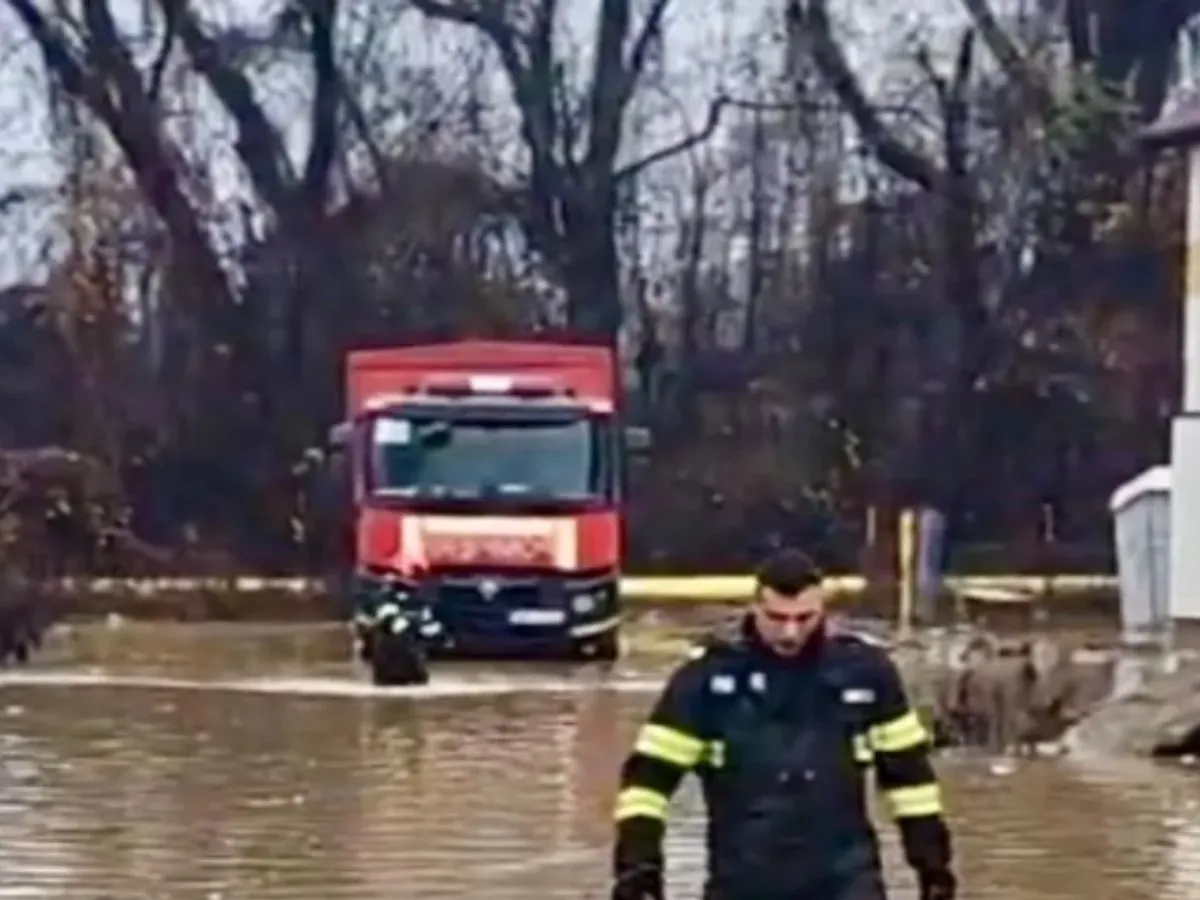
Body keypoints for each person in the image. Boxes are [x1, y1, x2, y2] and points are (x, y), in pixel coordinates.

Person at [611, 548, 956, 900]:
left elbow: (911, 781)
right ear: (754, 607)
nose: (790, 633)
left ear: (823, 608)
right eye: (776, 618)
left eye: (804, 618)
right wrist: (639, 869)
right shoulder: (706, 682)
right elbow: (647, 783)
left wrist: (933, 868)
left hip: (846, 882)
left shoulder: (866, 674)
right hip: (745, 883)